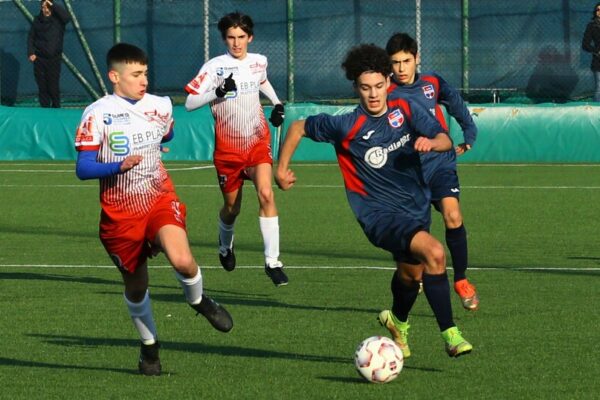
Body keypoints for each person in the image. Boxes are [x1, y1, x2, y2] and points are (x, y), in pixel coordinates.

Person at [275, 44, 473, 358]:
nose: (374, 94)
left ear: (388, 82)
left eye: (379, 86)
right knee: (435, 252)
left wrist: (432, 142)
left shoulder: (405, 109)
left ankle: (398, 322)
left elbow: (445, 138)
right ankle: (451, 335)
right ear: (356, 87)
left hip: (416, 208)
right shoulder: (345, 125)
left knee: (411, 275)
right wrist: (281, 168)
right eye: (365, 88)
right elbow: (298, 127)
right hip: (379, 216)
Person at [74, 43, 233, 376]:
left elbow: (168, 130)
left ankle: (198, 301)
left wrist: (155, 143)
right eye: (135, 74)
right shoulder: (97, 113)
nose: (143, 79)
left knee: (184, 261)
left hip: (159, 198)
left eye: (145, 72)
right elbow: (84, 167)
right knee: (136, 286)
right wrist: (117, 166)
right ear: (114, 77)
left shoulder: (160, 105)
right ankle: (149, 348)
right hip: (120, 216)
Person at [184, 12, 288, 286]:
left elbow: (262, 80)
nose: (236, 43)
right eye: (231, 37)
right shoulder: (214, 67)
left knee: (266, 193)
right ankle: (225, 245)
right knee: (232, 208)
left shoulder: (258, 62)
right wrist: (216, 92)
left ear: (250, 37)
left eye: (241, 37)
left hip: (256, 143)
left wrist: (277, 104)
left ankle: (272, 262)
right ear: (224, 39)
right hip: (228, 152)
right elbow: (190, 102)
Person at [385, 32, 479, 311]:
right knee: (415, 239)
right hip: (408, 173)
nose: (401, 68)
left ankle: (461, 280)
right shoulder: (384, 92)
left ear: (417, 59)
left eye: (406, 61)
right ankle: (419, 277)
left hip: (440, 163)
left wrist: (469, 133)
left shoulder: (432, 82)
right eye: (395, 63)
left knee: (453, 214)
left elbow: (456, 104)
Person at [27, 0, 70, 108]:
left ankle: (56, 108)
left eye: (47, 7)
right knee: (42, 87)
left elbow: (67, 17)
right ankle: (45, 111)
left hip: (54, 60)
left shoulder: (58, 20)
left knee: (53, 87)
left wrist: (52, 4)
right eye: (43, 7)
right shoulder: (37, 20)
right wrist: (31, 52)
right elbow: (31, 37)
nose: (45, 10)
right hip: (39, 59)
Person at [582, 2, 600, 102]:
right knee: (599, 88)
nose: (599, 12)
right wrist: (597, 51)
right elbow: (585, 45)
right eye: (598, 10)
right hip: (598, 62)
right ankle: (598, 112)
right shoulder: (592, 26)